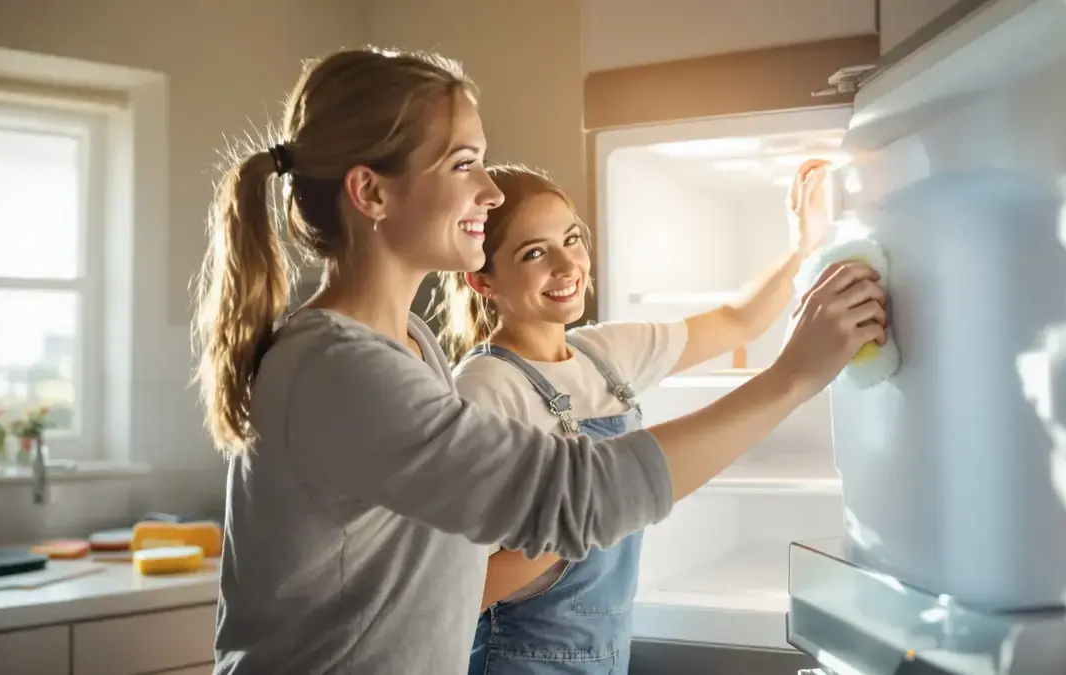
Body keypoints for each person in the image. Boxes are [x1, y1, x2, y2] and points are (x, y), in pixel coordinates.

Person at [192, 46, 886, 675]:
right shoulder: (339, 371)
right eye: (463, 163)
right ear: (371, 192)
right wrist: (793, 376)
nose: (490, 193)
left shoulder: (408, 344)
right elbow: (576, 497)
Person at [433, 162, 838, 674]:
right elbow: (461, 587)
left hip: (605, 655)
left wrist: (804, 245)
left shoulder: (604, 353)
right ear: (481, 278)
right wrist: (596, 510)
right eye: (534, 252)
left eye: (571, 239)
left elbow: (739, 321)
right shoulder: (487, 389)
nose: (567, 265)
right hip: (522, 660)